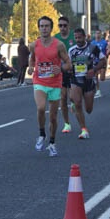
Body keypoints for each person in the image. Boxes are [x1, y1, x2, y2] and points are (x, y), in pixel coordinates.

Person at [28, 15, 71, 157]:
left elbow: (68, 63)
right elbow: (32, 58)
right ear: (38, 28)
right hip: (39, 81)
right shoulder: (34, 45)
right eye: (42, 26)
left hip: (55, 83)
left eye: (47, 26)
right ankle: (41, 134)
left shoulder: (59, 45)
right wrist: (30, 67)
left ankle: (52, 142)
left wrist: (62, 69)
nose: (44, 28)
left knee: (53, 116)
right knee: (40, 108)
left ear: (51, 28)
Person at [66, 27, 106, 140]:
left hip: (89, 80)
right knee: (78, 103)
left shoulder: (93, 47)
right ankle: (84, 129)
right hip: (76, 79)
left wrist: (94, 70)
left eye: (80, 37)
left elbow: (103, 60)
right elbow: (68, 64)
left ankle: (77, 102)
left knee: (88, 109)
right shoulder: (71, 50)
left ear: (84, 37)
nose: (78, 40)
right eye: (76, 38)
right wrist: (68, 69)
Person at [55, 17, 74, 132]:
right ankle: (67, 124)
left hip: (73, 71)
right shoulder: (55, 38)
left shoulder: (74, 36)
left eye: (64, 25)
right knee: (62, 98)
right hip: (61, 71)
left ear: (68, 26)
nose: (62, 28)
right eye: (60, 25)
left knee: (73, 97)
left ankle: (74, 103)